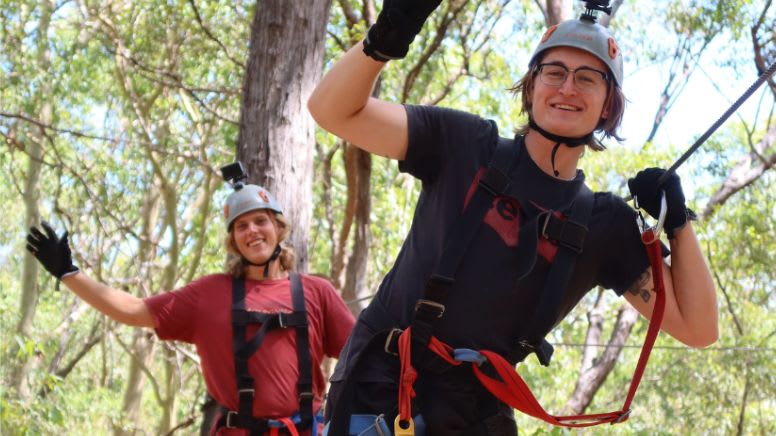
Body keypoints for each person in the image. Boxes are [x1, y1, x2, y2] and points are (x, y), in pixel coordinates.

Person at [307, 1, 718, 434]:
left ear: (607, 105)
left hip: (476, 412)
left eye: (587, 78)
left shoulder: (604, 226)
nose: (567, 88)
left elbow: (698, 328)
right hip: (381, 389)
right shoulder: (464, 145)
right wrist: (386, 37)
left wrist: (678, 222)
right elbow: (333, 112)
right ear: (531, 87)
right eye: (554, 73)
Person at [25, 167, 356, 436]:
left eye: (261, 221)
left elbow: (363, 356)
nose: (252, 231)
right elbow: (132, 310)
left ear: (278, 227)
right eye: (242, 226)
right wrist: (69, 273)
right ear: (233, 240)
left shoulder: (316, 292)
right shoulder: (209, 295)